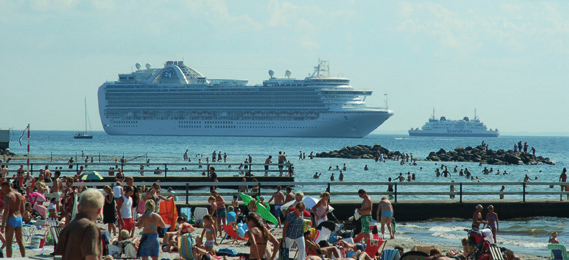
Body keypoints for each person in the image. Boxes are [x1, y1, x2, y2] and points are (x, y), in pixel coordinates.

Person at [55, 188, 105, 260]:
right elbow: (91, 257)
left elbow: (58, 255)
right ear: (99, 211)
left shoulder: (68, 226)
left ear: (78, 207)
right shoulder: (90, 227)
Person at [1, 181, 25, 257]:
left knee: (9, 243)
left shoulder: (8, 196)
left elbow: (6, 211)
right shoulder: (19, 194)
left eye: (2, 188)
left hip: (11, 219)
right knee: (20, 241)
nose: (2, 190)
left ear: (6, 187)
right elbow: (23, 209)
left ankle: (9, 259)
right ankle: (24, 257)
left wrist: (3, 225)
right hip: (19, 218)